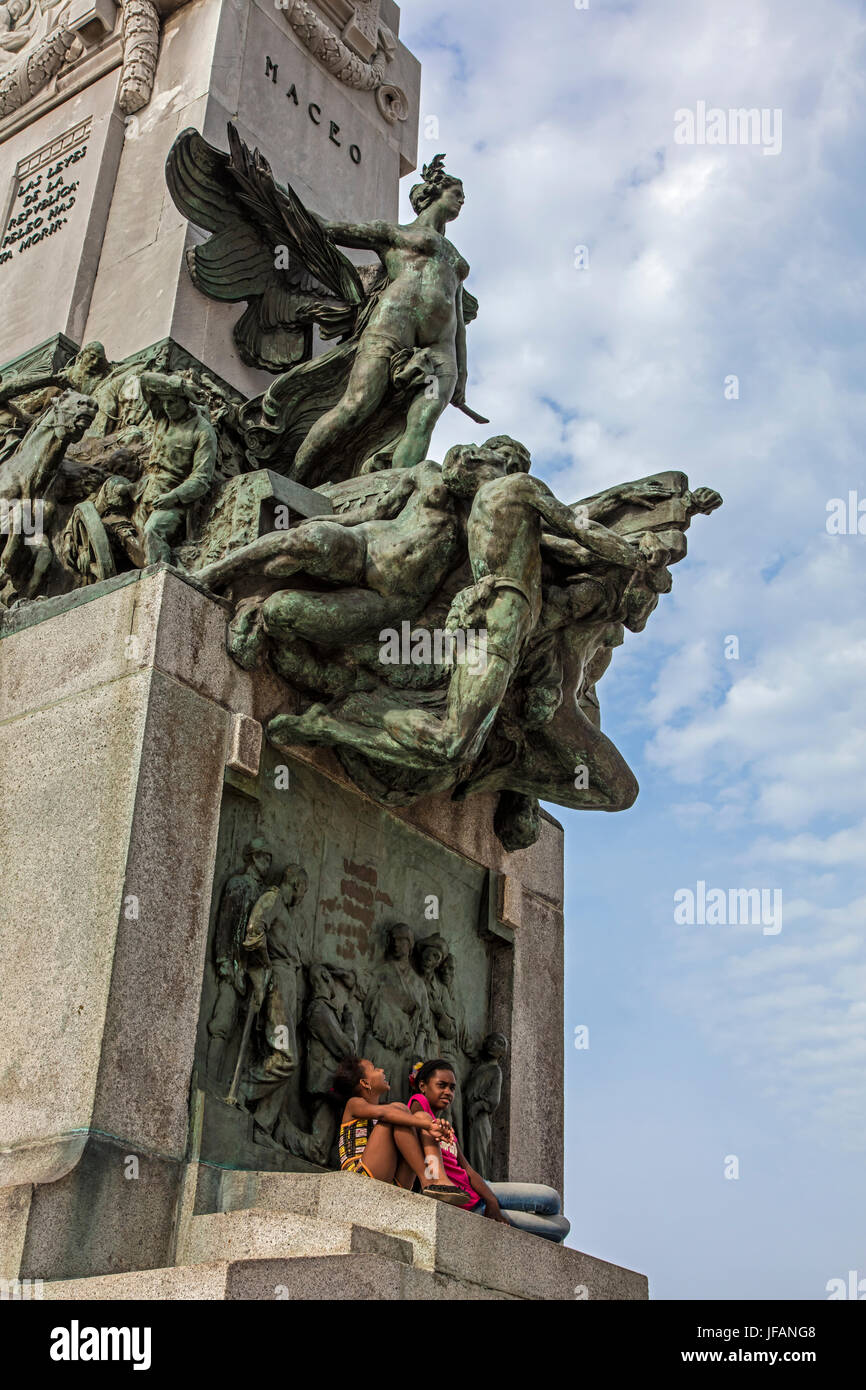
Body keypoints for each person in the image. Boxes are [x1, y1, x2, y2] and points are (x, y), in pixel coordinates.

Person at [408, 1059, 571, 1243]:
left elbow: (468, 1171)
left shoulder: (448, 1130)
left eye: (452, 1088)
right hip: (469, 1204)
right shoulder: (420, 1110)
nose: (448, 1092)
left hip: (483, 1191)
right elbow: (416, 1108)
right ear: (422, 1086)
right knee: (560, 1227)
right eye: (441, 1085)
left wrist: (491, 1201)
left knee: (553, 1202)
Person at [331, 1056, 470, 1204]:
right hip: (360, 1176)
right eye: (375, 1069)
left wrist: (433, 1124)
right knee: (400, 1110)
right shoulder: (354, 1104)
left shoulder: (385, 1109)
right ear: (365, 1083)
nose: (382, 1070)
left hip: (394, 1180)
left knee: (421, 1115)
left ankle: (439, 1178)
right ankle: (427, 1180)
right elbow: (385, 1113)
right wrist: (429, 1125)